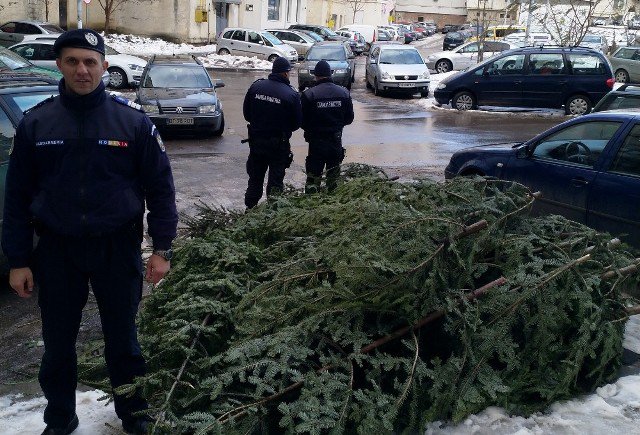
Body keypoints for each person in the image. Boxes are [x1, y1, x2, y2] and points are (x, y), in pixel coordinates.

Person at [1, 29, 178, 435]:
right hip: (57, 251)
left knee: (124, 340)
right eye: (73, 61)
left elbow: (161, 188)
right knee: (58, 344)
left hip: (116, 248)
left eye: (90, 61)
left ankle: (134, 415)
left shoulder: (131, 121)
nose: (83, 70)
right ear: (60, 64)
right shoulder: (37, 123)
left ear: (102, 64)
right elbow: (17, 198)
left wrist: (162, 248)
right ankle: (60, 418)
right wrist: (18, 261)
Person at [242, 56, 302, 209]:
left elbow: (247, 114)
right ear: (285, 73)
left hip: (257, 142)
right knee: (275, 182)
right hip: (278, 145)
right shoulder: (291, 94)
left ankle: (249, 210)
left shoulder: (256, 87)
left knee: (255, 179)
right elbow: (296, 124)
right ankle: (273, 215)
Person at [301, 60, 354, 193]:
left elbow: (301, 121)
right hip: (335, 142)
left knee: (313, 180)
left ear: (316, 76)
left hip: (316, 143)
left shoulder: (309, 95)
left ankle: (310, 207)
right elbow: (349, 118)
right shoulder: (343, 93)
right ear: (330, 74)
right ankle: (332, 205)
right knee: (333, 180)